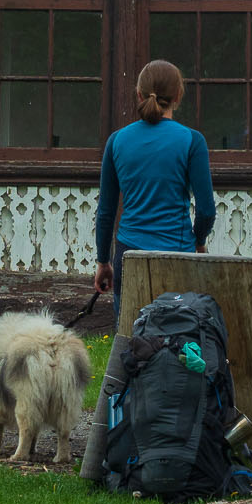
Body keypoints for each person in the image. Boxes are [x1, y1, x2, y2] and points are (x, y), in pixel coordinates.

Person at [92, 60, 217, 318]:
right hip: (177, 257)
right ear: (178, 96)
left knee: (130, 339)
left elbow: (105, 211)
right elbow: (206, 211)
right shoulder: (192, 141)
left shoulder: (116, 141)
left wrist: (103, 261)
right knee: (178, 341)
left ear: (138, 94)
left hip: (129, 256)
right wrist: (199, 242)